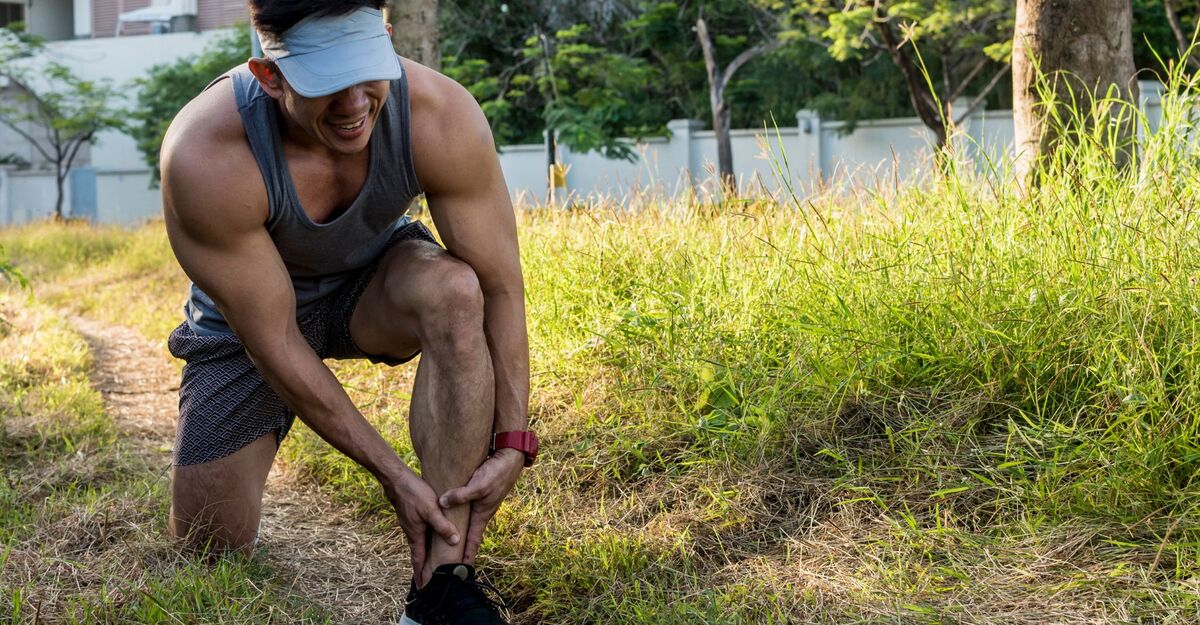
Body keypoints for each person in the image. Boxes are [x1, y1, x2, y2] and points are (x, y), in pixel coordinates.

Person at [159, 2, 535, 623]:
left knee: (456, 289)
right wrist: (392, 476)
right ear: (269, 75)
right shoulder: (205, 154)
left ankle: (442, 585)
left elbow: (501, 286)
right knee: (208, 547)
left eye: (367, 73)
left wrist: (515, 438)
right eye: (326, 85)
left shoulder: (440, 114)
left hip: (372, 280)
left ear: (386, 41)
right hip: (249, 328)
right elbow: (275, 340)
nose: (354, 103)